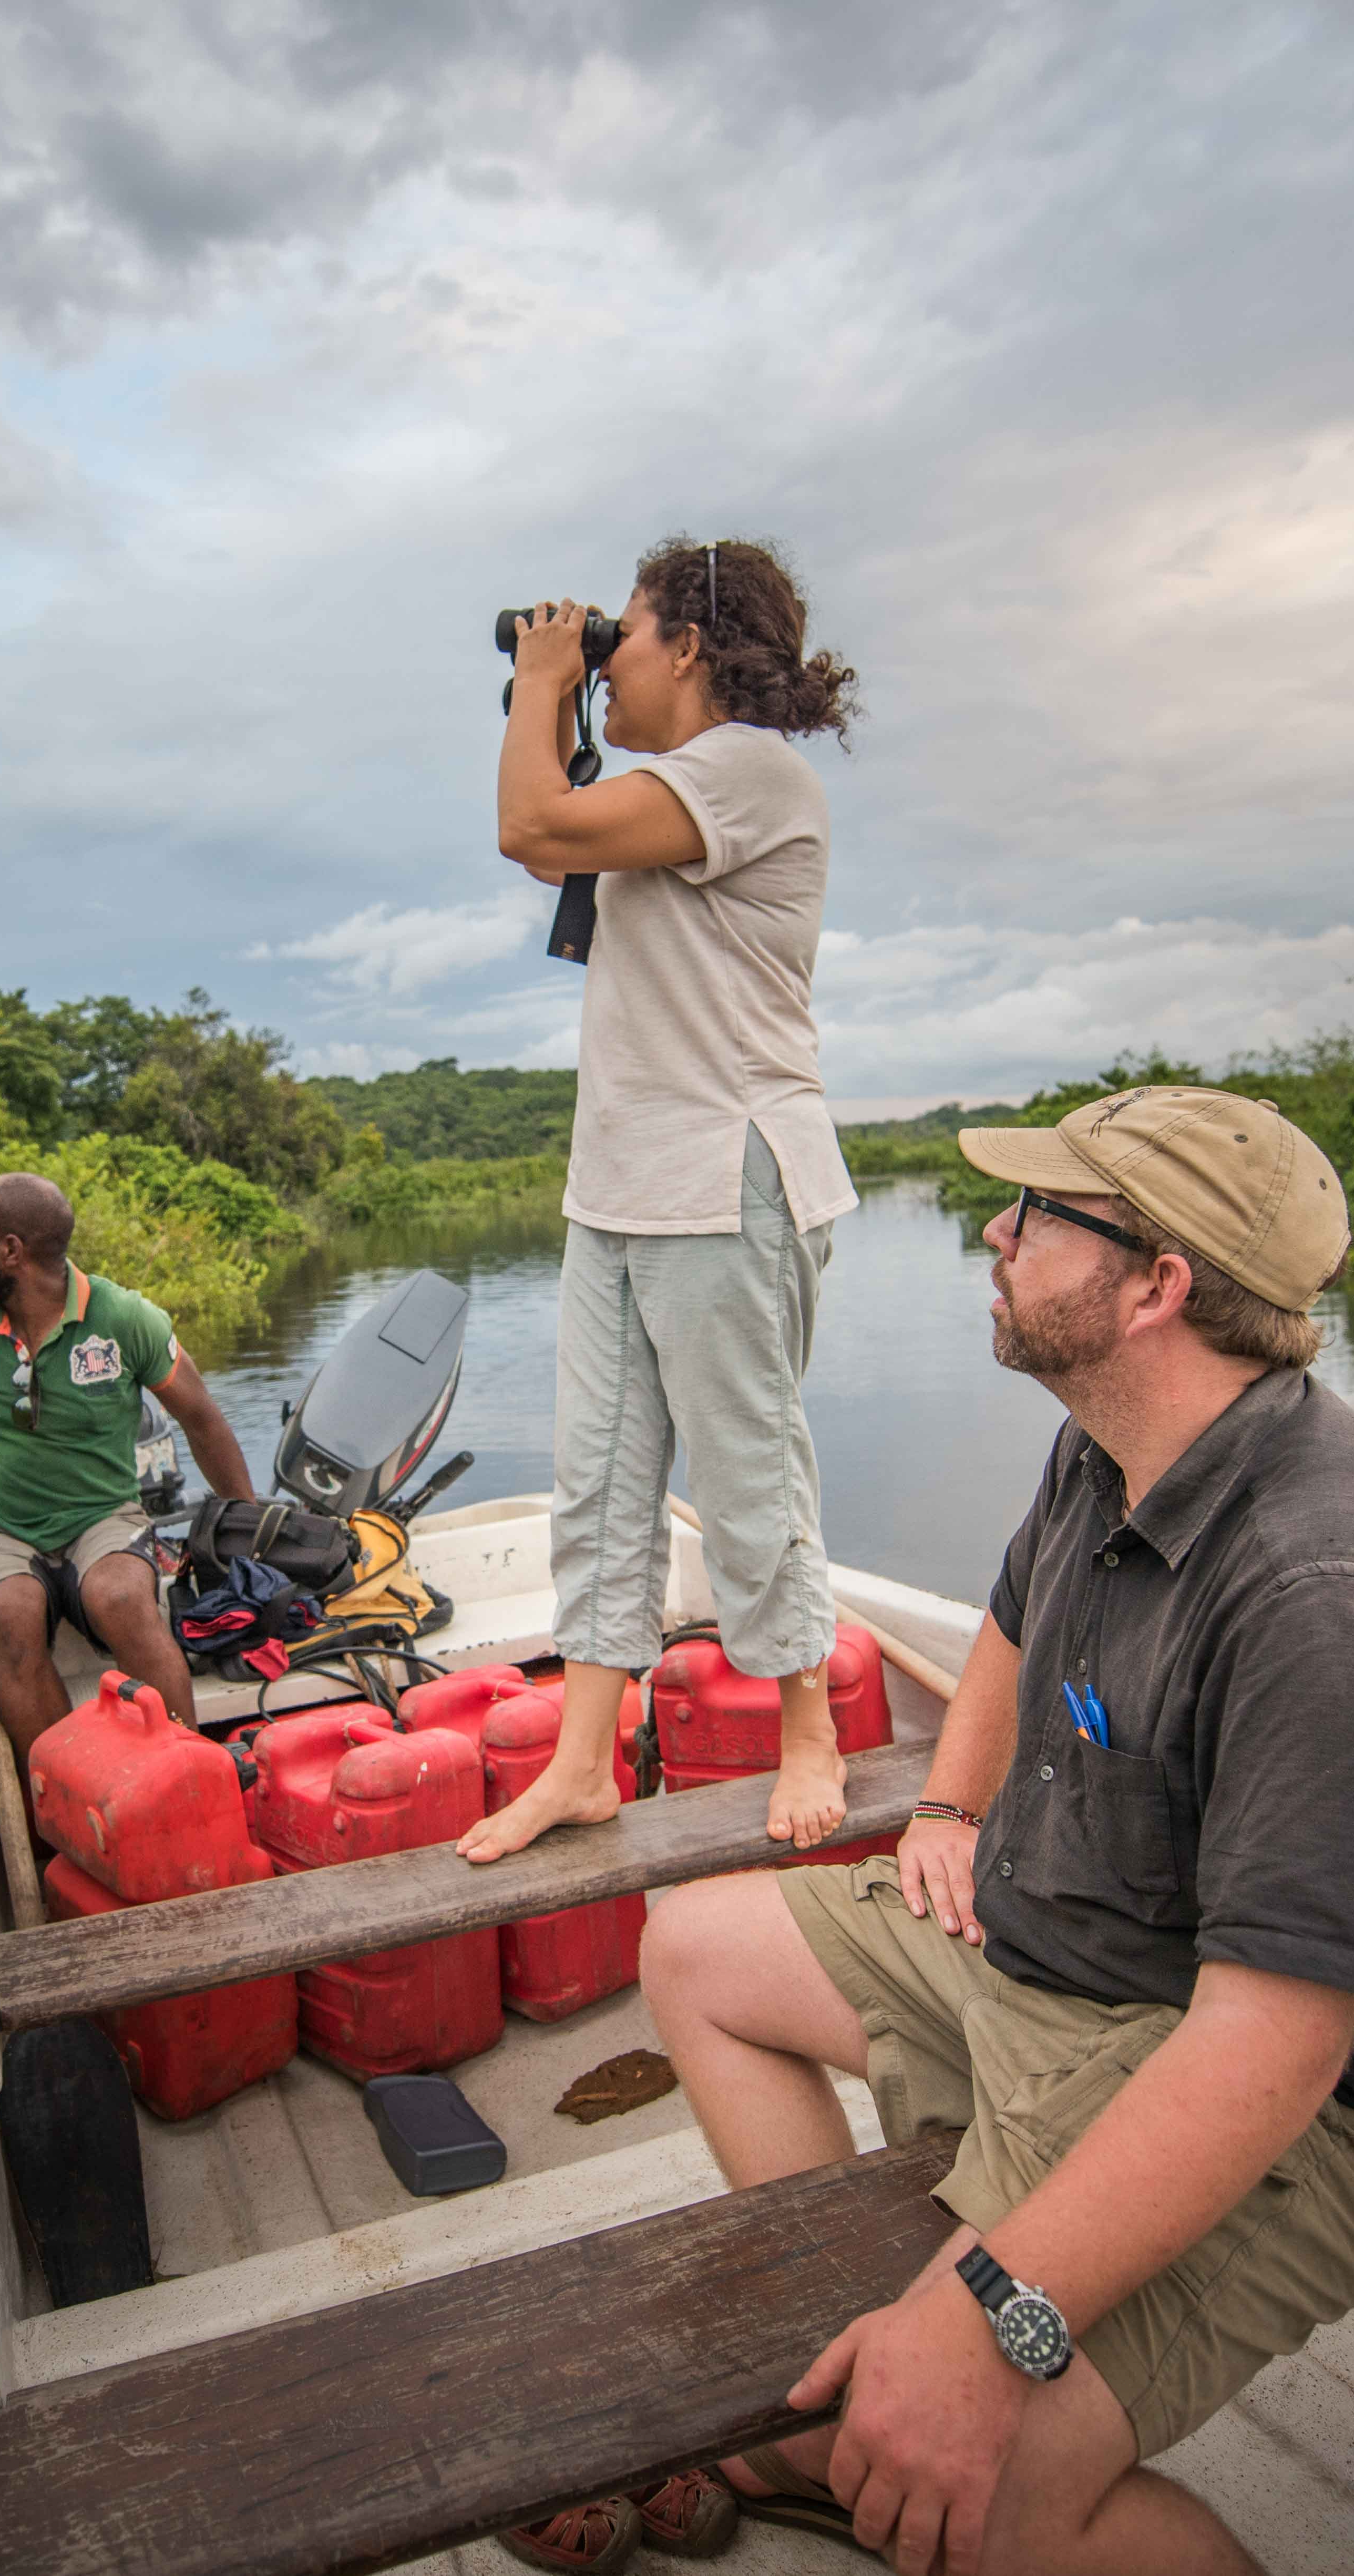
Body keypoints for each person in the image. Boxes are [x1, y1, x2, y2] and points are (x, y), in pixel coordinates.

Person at [636, 1087, 1354, 2574]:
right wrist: (947, 1806)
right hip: (1074, 1959)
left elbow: (1269, 2048)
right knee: (692, 1941)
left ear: (1157, 1288)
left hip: (1320, 2101)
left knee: (995, 2490)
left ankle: (921, 2392)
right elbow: (1015, 1621)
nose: (991, 1233)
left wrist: (991, 2315)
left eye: (1036, 1217)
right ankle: (868, 2390)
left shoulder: (1329, 1597)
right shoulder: (1115, 1437)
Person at [460, 535, 867, 1868]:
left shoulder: (750, 769)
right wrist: (563, 696)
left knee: (749, 1467)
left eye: (620, 639)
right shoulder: (667, 792)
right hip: (623, 1185)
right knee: (600, 1483)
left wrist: (536, 679)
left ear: (689, 646)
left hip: (728, 1173)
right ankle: (585, 1762)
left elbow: (532, 822)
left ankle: (808, 1727)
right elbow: (548, 844)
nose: (603, 661)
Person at [0, 1172, 257, 1751]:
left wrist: (246, 1534)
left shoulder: (123, 1318)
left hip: (102, 1517)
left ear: (10, 1250)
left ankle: (190, 1773)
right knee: (9, 1616)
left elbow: (202, 1419)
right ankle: (72, 1794)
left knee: (124, 1600)